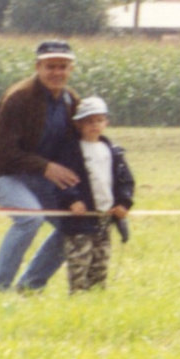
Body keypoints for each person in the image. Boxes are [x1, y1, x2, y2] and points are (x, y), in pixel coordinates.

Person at [0, 40, 82, 291]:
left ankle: (30, 287)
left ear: (71, 69)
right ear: (38, 66)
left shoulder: (71, 101)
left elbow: (80, 142)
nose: (57, 72)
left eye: (63, 66)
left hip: (32, 172)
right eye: (50, 66)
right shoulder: (18, 97)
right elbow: (0, 152)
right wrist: (46, 167)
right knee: (29, 218)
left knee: (74, 227)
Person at [43, 95, 134, 293]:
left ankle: (96, 298)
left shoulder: (113, 152)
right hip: (79, 221)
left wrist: (124, 203)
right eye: (89, 121)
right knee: (79, 262)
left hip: (104, 219)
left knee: (100, 262)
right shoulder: (70, 151)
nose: (94, 125)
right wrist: (73, 199)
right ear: (78, 124)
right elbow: (63, 181)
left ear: (106, 122)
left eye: (99, 120)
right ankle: (76, 298)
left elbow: (126, 181)